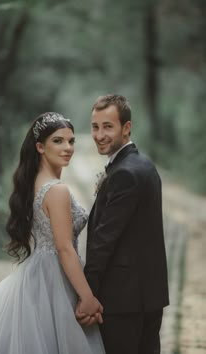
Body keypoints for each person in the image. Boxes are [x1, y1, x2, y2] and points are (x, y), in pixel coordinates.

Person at [0, 112, 105, 354]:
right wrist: (87, 297)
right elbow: (64, 248)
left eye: (71, 141)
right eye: (58, 141)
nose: (68, 148)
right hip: (54, 277)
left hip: (37, 273)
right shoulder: (57, 190)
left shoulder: (34, 182)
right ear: (40, 147)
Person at [76, 95, 169, 354]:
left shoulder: (125, 173)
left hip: (122, 299)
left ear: (126, 128)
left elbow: (104, 240)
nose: (99, 134)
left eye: (108, 126)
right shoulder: (145, 165)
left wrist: (88, 295)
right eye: (95, 127)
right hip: (149, 295)